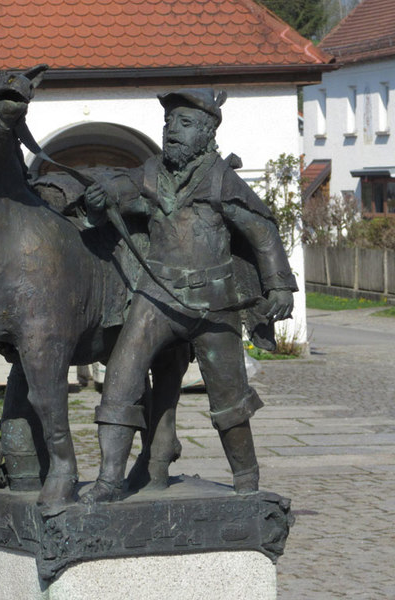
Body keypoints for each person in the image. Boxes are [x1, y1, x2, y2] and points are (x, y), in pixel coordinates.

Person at [81, 89, 296, 503]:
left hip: (214, 307)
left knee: (231, 402)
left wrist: (280, 285)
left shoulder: (220, 179)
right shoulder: (152, 172)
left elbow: (262, 231)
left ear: (207, 132)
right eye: (168, 123)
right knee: (120, 382)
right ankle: (109, 479)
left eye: (184, 123)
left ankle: (247, 482)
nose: (171, 131)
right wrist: (102, 195)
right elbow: (121, 189)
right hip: (157, 299)